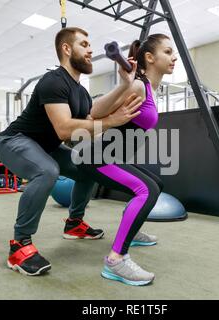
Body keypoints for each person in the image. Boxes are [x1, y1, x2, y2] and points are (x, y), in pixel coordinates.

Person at [0, 27, 156, 276]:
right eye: (84, 44)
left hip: (45, 146)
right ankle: (20, 244)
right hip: (15, 141)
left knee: (86, 166)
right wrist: (113, 121)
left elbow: (91, 117)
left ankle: (74, 223)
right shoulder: (53, 81)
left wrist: (124, 84)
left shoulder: (80, 91)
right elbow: (64, 129)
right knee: (47, 171)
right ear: (66, 49)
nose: (90, 49)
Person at [75, 34, 177, 285]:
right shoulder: (138, 85)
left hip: (111, 156)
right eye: (168, 52)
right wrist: (124, 84)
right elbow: (95, 112)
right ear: (150, 58)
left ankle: (131, 230)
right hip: (98, 157)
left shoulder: (151, 87)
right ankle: (116, 261)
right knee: (146, 190)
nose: (174, 57)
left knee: (156, 184)